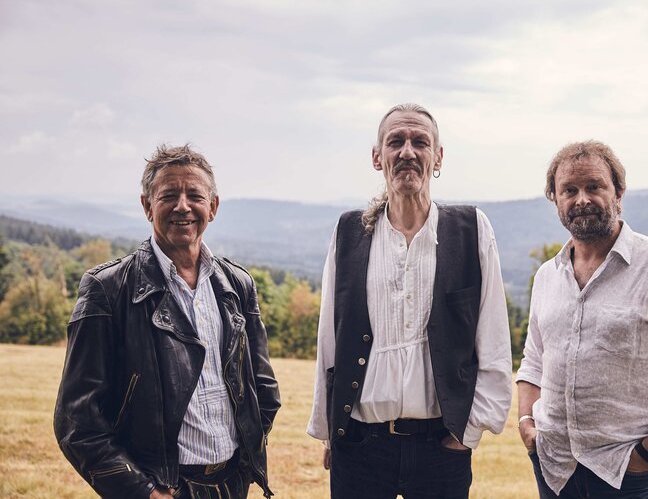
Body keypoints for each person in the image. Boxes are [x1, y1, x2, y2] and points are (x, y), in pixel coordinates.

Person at [307, 103, 512, 498]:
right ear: (377, 157)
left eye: (420, 142)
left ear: (438, 157)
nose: (407, 152)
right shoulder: (348, 231)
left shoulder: (471, 229)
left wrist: (467, 434)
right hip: (360, 446)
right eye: (395, 142)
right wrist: (332, 431)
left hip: (441, 447)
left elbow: (493, 337)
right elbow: (330, 338)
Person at [54, 144, 281, 499]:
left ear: (213, 207)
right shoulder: (108, 289)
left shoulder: (237, 284)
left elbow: (263, 390)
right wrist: (142, 491)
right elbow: (76, 420)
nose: (182, 206)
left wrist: (243, 465)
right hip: (161, 488)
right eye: (169, 195)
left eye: (195, 195)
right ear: (147, 206)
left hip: (232, 484)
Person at [516, 141, 648, 498]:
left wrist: (646, 456)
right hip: (555, 472)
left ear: (618, 192)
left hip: (632, 478)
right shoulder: (547, 277)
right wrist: (527, 424)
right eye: (569, 190)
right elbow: (534, 361)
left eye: (594, 186)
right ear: (554, 199)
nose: (582, 199)